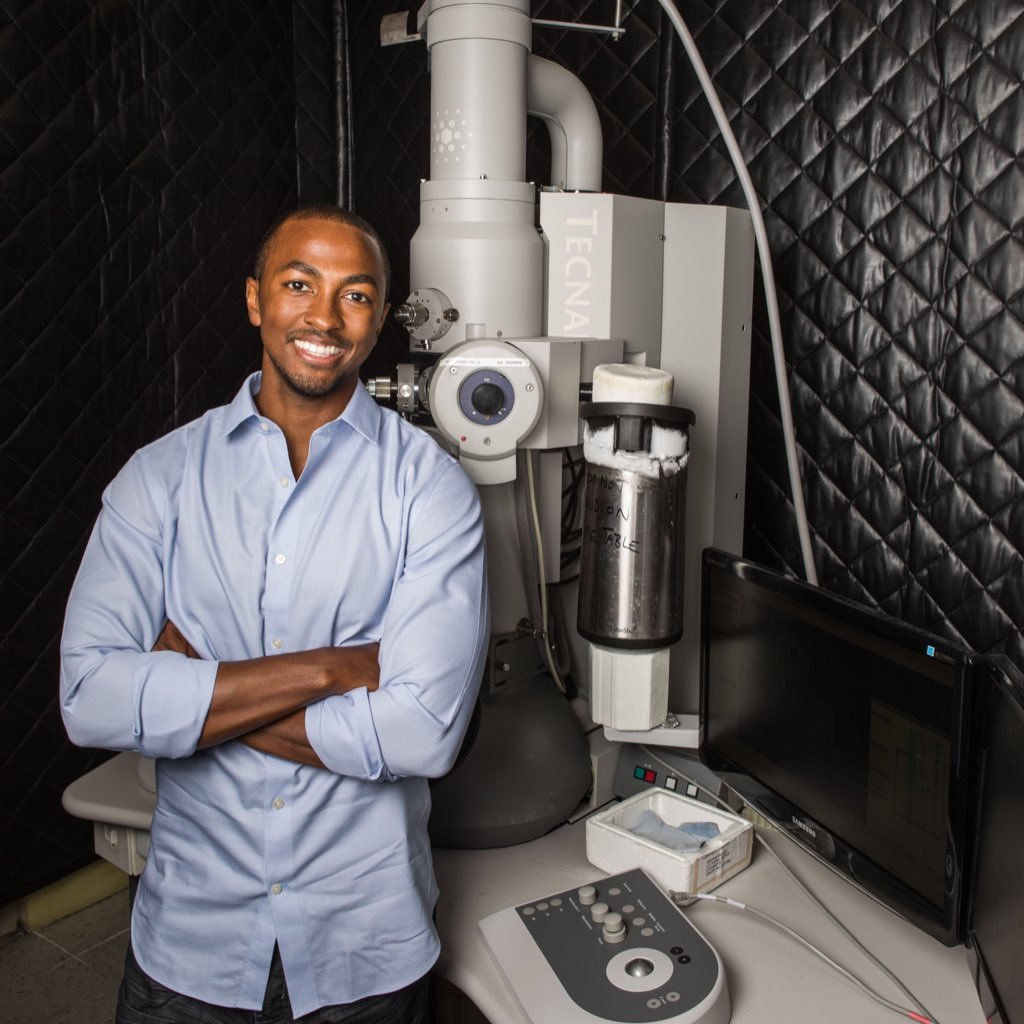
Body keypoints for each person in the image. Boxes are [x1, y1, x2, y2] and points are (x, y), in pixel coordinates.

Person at [60, 205, 489, 1023]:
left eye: (355, 295)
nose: (324, 318)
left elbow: (423, 734)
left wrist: (192, 693)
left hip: (367, 949)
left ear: (381, 321)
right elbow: (89, 697)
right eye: (299, 285)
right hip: (191, 945)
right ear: (257, 300)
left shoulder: (428, 488)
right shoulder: (159, 479)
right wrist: (334, 668)